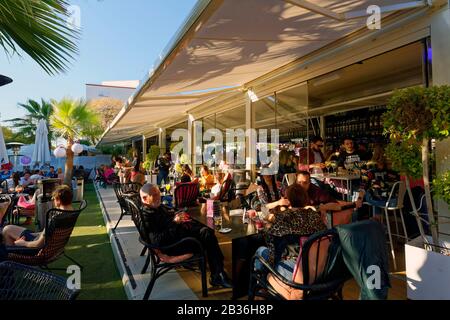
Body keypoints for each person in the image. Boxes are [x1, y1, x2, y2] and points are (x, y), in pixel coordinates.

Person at [139, 183, 232, 288]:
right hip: (172, 246)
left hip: (178, 235)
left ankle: (218, 272)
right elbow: (158, 241)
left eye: (158, 194)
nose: (158, 197)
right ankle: (218, 274)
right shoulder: (147, 217)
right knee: (208, 236)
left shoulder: (155, 207)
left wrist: (178, 215)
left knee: (206, 230)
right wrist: (175, 222)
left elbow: (169, 215)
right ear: (145, 198)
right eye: (154, 195)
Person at [253, 183, 327, 276]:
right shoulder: (314, 215)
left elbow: (272, 246)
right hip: (317, 267)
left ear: (289, 199)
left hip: (294, 270)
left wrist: (268, 226)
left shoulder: (283, 217)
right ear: (305, 198)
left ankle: (263, 284)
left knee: (260, 251)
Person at [2, 185, 73, 248]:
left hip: (37, 247)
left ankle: (12, 257)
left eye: (53, 199)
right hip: (49, 243)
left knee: (6, 230)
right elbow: (45, 234)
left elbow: (38, 244)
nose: (53, 201)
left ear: (58, 200)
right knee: (8, 228)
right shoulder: (71, 213)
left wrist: (23, 243)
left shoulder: (56, 218)